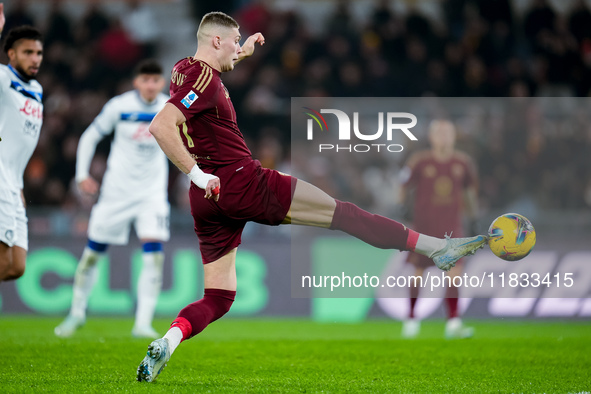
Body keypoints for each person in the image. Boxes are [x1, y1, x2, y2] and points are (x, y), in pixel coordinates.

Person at [136, 11, 488, 383]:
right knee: (344, 214)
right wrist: (197, 172)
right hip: (240, 182)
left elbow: (209, 73)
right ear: (216, 41)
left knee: (220, 297)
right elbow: (161, 125)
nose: (238, 47)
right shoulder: (205, 80)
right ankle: (436, 248)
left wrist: (246, 53)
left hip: (207, 200)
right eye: (235, 40)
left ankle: (169, 340)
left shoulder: (184, 69)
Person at [54, 59, 170, 339]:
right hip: (116, 193)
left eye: (156, 80)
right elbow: (90, 136)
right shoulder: (119, 106)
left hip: (152, 193)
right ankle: (76, 313)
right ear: (136, 82)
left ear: (162, 83)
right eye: (146, 80)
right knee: (92, 254)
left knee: (154, 256)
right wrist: (82, 174)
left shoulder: (169, 108)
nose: (151, 85)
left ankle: (142, 323)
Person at [399, 119, 479, 339]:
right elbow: (403, 184)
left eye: (448, 133)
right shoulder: (420, 161)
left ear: (454, 137)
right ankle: (412, 318)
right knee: (418, 273)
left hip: (452, 228)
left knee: (455, 275)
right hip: (424, 227)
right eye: (439, 133)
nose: (444, 137)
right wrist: (402, 207)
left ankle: (453, 322)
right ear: (432, 137)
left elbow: (469, 192)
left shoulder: (463, 163)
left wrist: (473, 216)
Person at [0, 5, 44, 282]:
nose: (35, 58)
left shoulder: (37, 89)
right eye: (28, 52)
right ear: (11, 54)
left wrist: (17, 186)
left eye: (38, 53)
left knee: (16, 267)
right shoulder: (4, 78)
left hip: (14, 184)